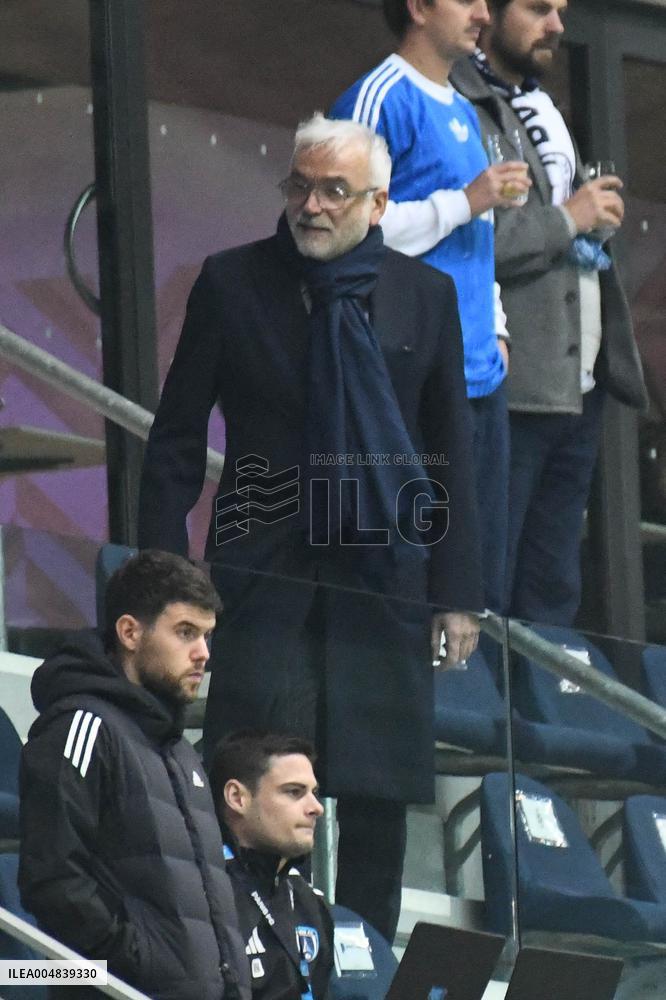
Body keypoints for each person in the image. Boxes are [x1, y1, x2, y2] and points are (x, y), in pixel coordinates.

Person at [138, 113, 484, 942]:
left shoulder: (424, 296)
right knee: (251, 787)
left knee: (371, 803)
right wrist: (160, 575)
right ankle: (243, 964)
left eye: (334, 190)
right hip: (265, 583)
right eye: (300, 186)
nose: (313, 205)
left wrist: (458, 592)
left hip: (382, 588)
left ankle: (358, 971)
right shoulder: (232, 282)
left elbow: (451, 455)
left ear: (378, 201)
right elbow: (178, 437)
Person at [450, 0, 648, 623]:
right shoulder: (458, 104)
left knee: (553, 585)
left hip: (577, 384)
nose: (557, 25)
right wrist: (569, 219)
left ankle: (538, 715)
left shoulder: (545, 108)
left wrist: (584, 229)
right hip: (512, 386)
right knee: (490, 580)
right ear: (489, 11)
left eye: (560, 10)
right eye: (539, 8)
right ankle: (482, 716)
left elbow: (555, 227)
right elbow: (472, 243)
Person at [330, 0, 531, 612]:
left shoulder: (467, 110)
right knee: (409, 571)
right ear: (417, 7)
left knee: (478, 583)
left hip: (479, 375)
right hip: (406, 376)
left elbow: (479, 240)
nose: (483, 14)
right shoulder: (378, 95)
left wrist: (496, 327)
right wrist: (462, 202)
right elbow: (343, 226)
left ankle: (468, 702)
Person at [18, 549, 251, 1000]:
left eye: (207, 636)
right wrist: (138, 963)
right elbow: (53, 881)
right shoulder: (82, 727)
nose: (203, 653)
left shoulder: (182, 753)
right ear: (129, 632)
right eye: (185, 632)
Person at [210, 731, 334, 999]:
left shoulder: (310, 903)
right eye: (294, 792)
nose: (316, 808)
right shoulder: (201, 893)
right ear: (237, 797)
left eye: (314, 793)